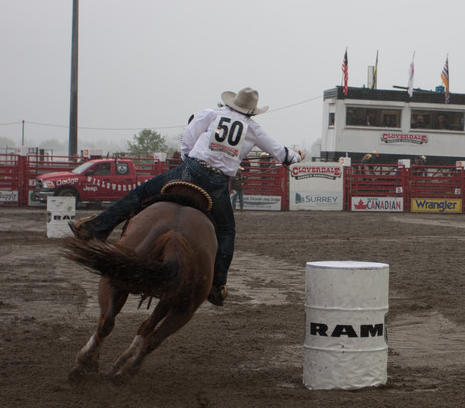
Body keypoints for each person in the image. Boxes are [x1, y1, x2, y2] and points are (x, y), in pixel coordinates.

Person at [69, 87, 304, 306]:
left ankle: (95, 228)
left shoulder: (211, 114)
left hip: (191, 169)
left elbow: (189, 138)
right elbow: (282, 154)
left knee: (141, 193)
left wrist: (186, 159)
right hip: (217, 183)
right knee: (225, 231)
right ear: (252, 111)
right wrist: (297, 156)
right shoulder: (253, 129)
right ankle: (217, 283)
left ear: (232, 103)